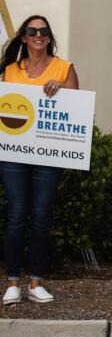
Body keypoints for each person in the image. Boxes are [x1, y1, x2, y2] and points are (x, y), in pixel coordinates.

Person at [1, 16, 79, 306]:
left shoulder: (64, 68)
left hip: (48, 154)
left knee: (42, 217)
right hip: (14, 154)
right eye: (32, 31)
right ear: (23, 37)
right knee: (17, 215)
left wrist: (61, 89)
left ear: (49, 37)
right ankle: (12, 282)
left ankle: (36, 281)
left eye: (43, 31)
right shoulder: (11, 70)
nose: (38, 35)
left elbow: (75, 109)